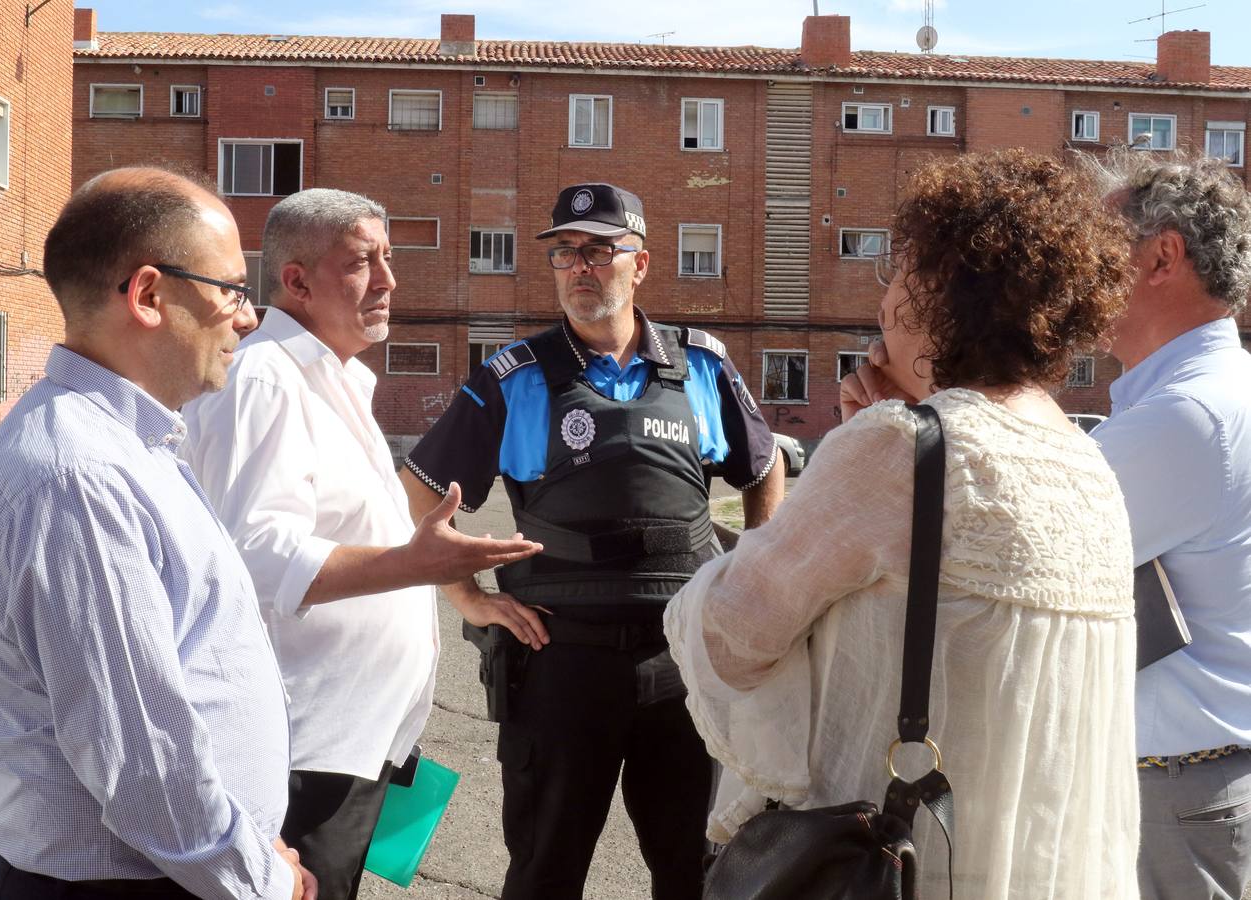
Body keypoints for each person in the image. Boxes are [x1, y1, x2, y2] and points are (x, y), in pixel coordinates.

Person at [665, 150, 1142, 898]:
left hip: (897, 864)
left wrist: (881, 437)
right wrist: (890, 428)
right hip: (1037, 869)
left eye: (899, 270)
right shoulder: (1085, 462)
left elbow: (733, 631)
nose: (884, 296)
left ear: (936, 289)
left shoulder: (899, 447)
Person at [400, 182, 783, 899]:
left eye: (600, 250)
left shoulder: (698, 364)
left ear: (640, 264)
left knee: (693, 868)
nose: (580, 267)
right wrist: (467, 597)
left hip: (683, 663)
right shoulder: (514, 377)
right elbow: (421, 493)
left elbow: (765, 466)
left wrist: (753, 572)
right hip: (559, 662)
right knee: (547, 869)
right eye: (566, 253)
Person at [181, 188, 543, 900]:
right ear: (296, 280)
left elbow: (350, 531)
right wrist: (415, 564)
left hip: (346, 744)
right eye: (360, 262)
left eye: (388, 258)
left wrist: (457, 592)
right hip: (296, 751)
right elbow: (250, 555)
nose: (388, 280)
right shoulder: (265, 379)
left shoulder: (331, 378)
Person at [0, 168, 314, 899]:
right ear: (150, 295)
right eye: (232, 289)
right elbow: (142, 760)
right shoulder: (77, 476)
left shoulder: (125, 445)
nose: (248, 317)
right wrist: (257, 878)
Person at [1085, 151, 1251, 900]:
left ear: (1162, 256)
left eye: (1098, 250)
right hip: (1193, 785)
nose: (1078, 272)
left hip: (1174, 794)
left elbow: (1016, 547)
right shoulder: (1213, 394)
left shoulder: (1187, 415)